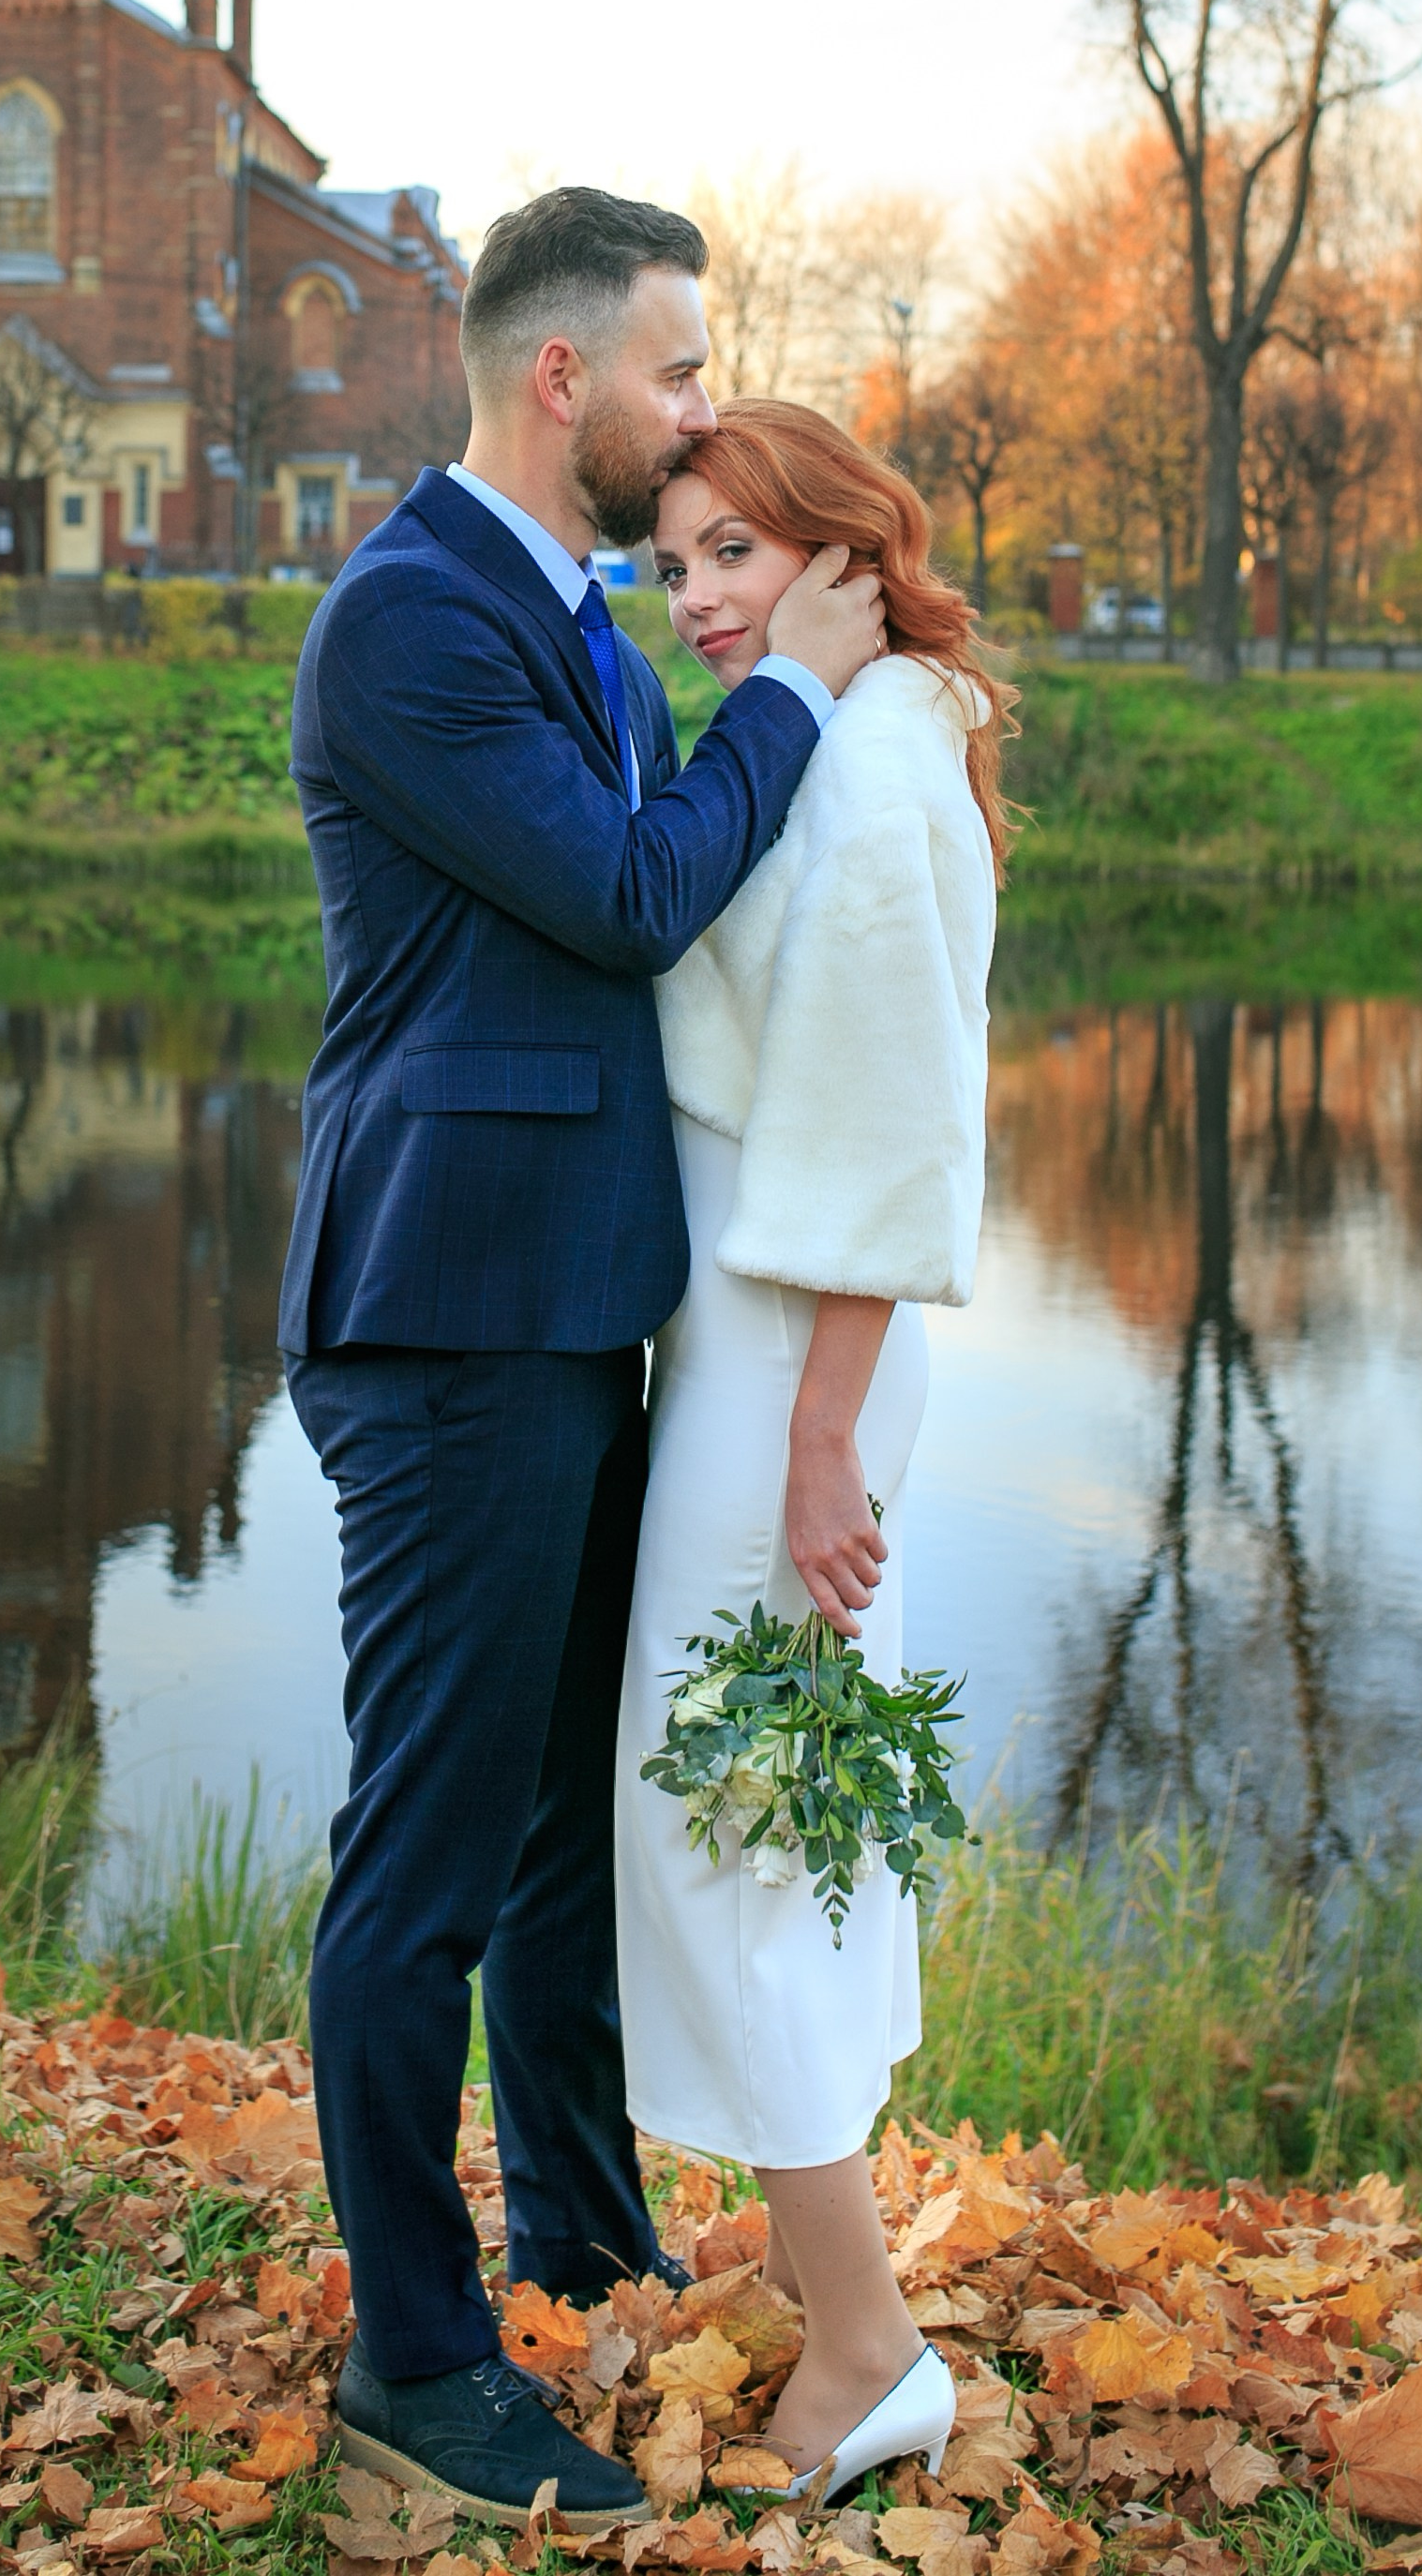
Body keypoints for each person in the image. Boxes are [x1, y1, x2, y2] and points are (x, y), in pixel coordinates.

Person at [280, 192, 886, 2532]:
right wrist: (801, 697)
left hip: (570, 1300)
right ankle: (418, 2361)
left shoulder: (575, 617)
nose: (702, 405)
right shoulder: (411, 627)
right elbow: (639, 893)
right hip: (445, 1313)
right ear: (565, 382)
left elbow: (653, 900)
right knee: (423, 1858)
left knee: (562, 1832)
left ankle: (584, 2238)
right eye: (681, 368)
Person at [616, 398, 1012, 2504]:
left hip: (795, 1350)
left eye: (735, 558)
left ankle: (864, 2344)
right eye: (674, 564)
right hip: (758, 1339)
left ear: (843, 551)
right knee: (754, 1802)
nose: (695, 601)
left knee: (723, 1814)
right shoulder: (852, 728)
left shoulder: (868, 756)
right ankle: (826, 2275)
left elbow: (883, 1108)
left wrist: (820, 1433)